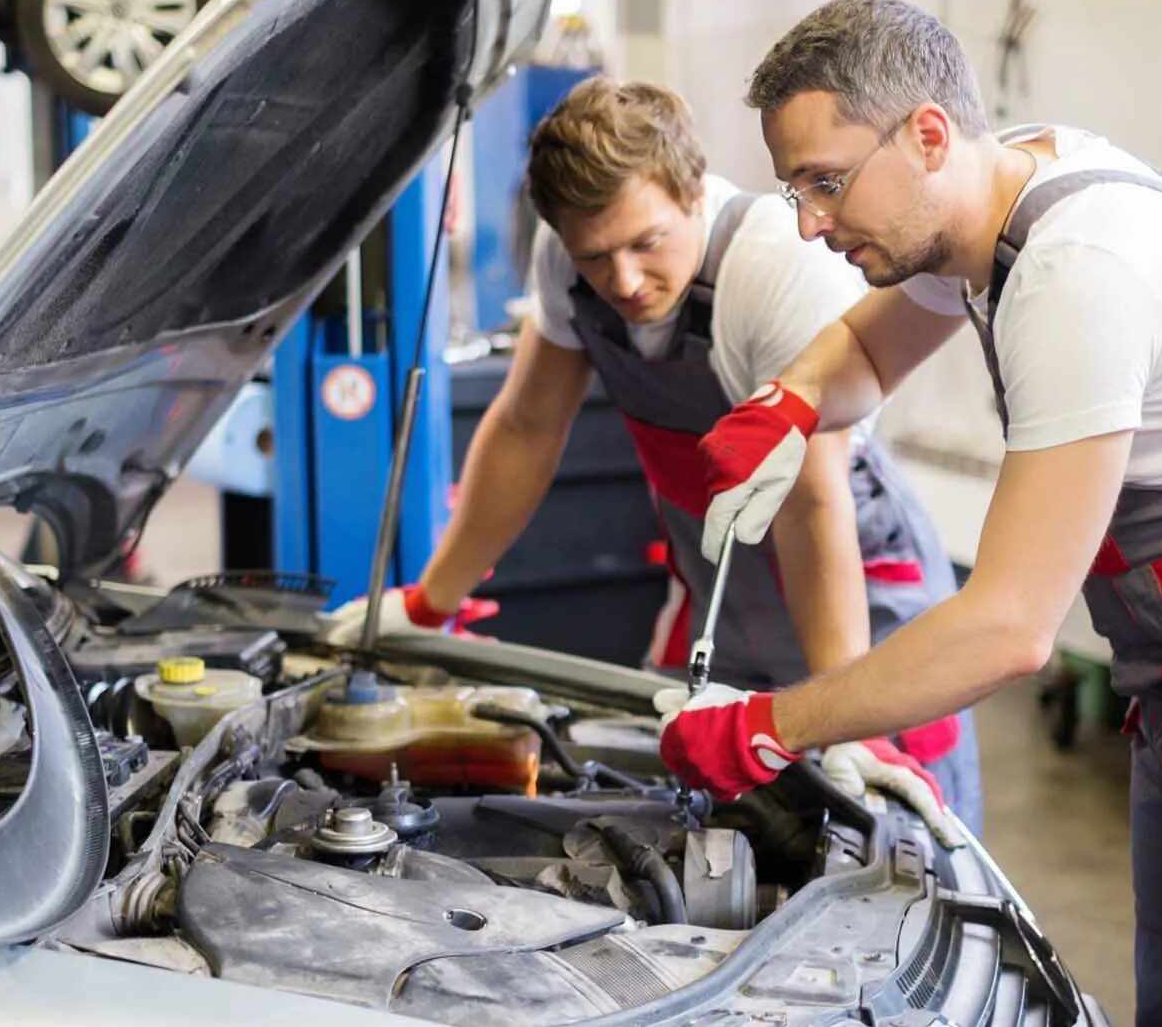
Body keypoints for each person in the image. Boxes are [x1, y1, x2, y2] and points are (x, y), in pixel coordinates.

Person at [654, 0, 1162, 1027]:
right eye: (792, 191)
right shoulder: (985, 195)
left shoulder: (1072, 274)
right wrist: (791, 400)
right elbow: (869, 350)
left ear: (924, 135)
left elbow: (1008, 630)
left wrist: (774, 726)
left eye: (826, 184)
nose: (810, 222)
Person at [327, 75, 981, 838]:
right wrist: (432, 602)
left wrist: (846, 712)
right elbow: (528, 428)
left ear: (693, 192)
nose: (624, 281)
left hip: (855, 585)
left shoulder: (772, 271)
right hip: (720, 583)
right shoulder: (570, 260)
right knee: (680, 815)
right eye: (597, 256)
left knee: (894, 836)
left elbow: (811, 503)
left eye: (647, 243)